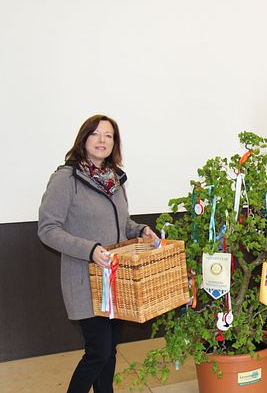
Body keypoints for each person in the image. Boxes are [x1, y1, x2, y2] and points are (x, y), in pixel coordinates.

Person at [38, 114, 158, 393]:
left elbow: (123, 224)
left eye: (109, 135)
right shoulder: (65, 179)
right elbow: (47, 229)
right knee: (98, 353)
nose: (102, 140)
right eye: (96, 134)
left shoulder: (115, 179)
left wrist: (140, 230)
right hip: (85, 282)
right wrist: (89, 250)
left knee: (110, 351)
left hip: (117, 283)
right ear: (84, 138)